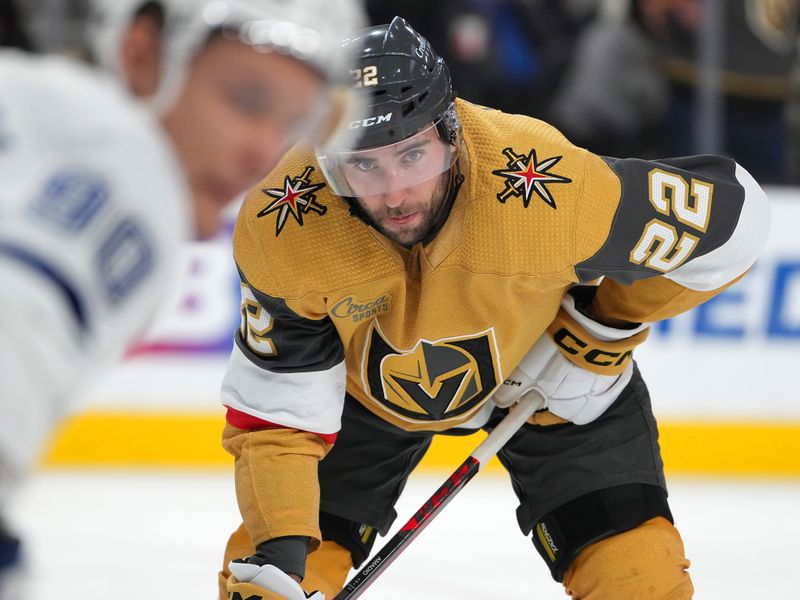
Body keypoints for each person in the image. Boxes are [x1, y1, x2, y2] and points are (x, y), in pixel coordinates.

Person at [218, 16, 770, 600]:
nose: (396, 194)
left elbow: (739, 221)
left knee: (639, 581)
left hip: (552, 387)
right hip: (360, 399)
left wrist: (597, 330)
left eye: (412, 157)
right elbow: (277, 410)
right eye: (364, 166)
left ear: (450, 133)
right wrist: (280, 551)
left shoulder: (549, 192)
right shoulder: (286, 222)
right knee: (265, 588)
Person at [0, 0, 365, 596]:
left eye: (294, 126)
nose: (263, 153)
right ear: (140, 54)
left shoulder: (29, 100)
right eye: (245, 101)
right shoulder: (124, 168)